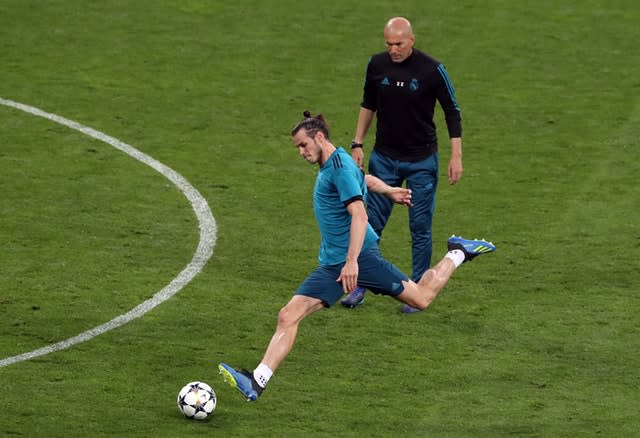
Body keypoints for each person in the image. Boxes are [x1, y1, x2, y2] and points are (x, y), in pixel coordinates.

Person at [217, 112, 495, 401]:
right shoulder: (337, 162)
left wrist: (352, 262)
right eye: (298, 148)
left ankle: (458, 252)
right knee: (288, 315)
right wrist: (389, 191)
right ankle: (256, 381)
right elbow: (365, 179)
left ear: (319, 137)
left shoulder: (338, 167)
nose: (301, 152)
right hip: (335, 264)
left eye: (303, 145)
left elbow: (360, 215)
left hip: (357, 260)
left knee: (422, 298)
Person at [343, 17, 464, 313]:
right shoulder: (376, 65)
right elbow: (367, 104)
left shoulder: (432, 70)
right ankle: (359, 283)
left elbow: (452, 111)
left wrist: (456, 156)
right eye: (388, 43)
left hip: (421, 162)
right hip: (384, 160)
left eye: (398, 43)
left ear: (411, 39)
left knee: (420, 227)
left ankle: (418, 289)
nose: (393, 49)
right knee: (370, 224)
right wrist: (357, 142)